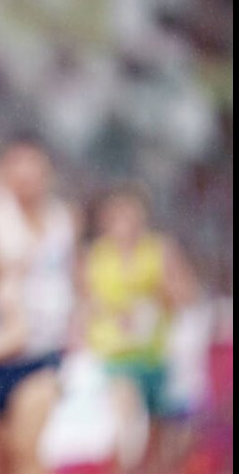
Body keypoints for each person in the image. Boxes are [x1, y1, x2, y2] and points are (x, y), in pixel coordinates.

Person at [0, 135, 79, 474]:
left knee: (26, 449)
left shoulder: (63, 219)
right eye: (17, 167)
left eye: (32, 168)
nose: (25, 176)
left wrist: (79, 321)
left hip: (41, 352)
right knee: (1, 460)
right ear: (5, 172)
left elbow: (73, 275)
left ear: (47, 173)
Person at [78, 181, 200, 473]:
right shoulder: (95, 257)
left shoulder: (160, 251)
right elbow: (84, 306)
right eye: (116, 215)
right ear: (105, 219)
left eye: (130, 215)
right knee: (129, 432)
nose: (123, 223)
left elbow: (188, 296)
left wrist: (164, 292)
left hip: (156, 357)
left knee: (162, 445)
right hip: (116, 357)